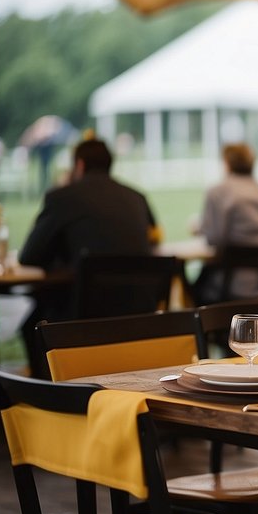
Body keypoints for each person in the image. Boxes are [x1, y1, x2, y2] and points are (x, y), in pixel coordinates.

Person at [18, 138, 158, 372]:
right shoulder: (137, 197)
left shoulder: (62, 197)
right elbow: (153, 239)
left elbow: (30, 256)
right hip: (139, 310)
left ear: (79, 165)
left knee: (31, 325)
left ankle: (46, 394)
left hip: (84, 313)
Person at [191, 143, 258, 304]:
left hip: (229, 285)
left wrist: (199, 228)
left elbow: (215, 238)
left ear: (226, 163)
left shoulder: (218, 191)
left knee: (192, 290)